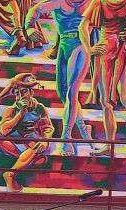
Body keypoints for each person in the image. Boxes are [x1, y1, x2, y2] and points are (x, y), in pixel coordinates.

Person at [78, 0, 126, 158]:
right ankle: (109, 145)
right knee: (106, 103)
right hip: (105, 52)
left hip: (123, 50)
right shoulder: (99, 2)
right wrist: (89, 49)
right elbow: (82, 27)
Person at [25, 0, 96, 156]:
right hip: (64, 45)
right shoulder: (58, 2)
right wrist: (29, 27)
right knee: (62, 92)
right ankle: (84, 128)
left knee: (71, 92)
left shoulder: (93, 2)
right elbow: (35, 10)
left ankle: (66, 137)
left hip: (80, 46)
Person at [0, 72, 54, 192]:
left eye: (24, 92)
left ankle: (11, 174)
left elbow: (47, 127)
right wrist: (20, 114)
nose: (20, 96)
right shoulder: (12, 109)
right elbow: (3, 130)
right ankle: (31, 159)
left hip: (31, 139)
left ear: (31, 92)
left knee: (39, 146)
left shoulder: (39, 107)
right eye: (17, 93)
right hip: (15, 137)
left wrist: (46, 139)